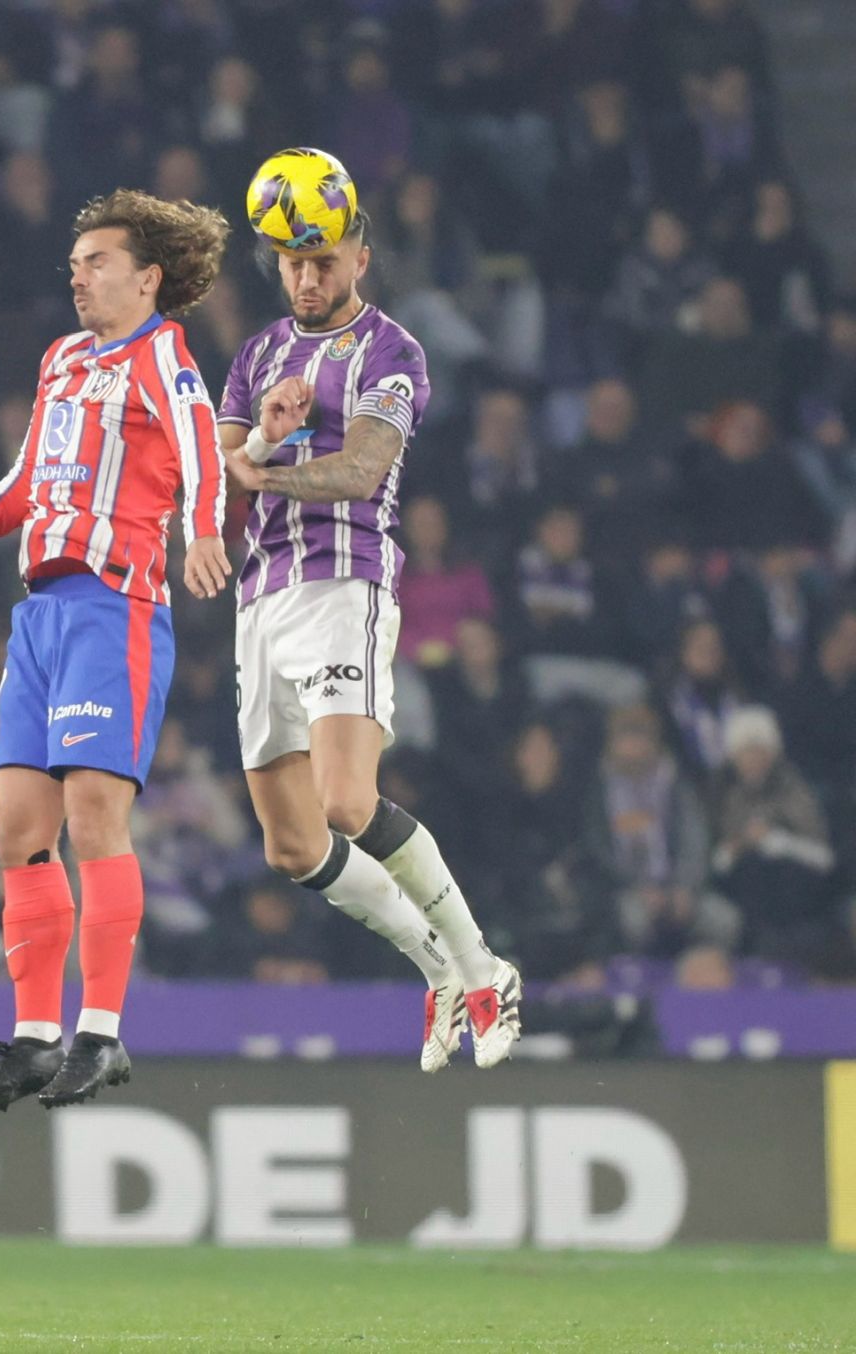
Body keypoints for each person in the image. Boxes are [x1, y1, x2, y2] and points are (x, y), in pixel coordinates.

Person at [0, 188, 232, 1113]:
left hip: (116, 607)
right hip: (42, 616)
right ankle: (35, 1037)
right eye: (74, 263)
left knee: (94, 817)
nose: (79, 276)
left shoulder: (162, 352)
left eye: (97, 262)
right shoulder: (62, 360)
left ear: (147, 279)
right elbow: (31, 476)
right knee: (17, 827)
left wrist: (203, 532)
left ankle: (103, 1031)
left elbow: (201, 445)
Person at [219, 166, 521, 1072]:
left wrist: (260, 467)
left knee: (346, 801)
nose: (307, 279)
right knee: (289, 844)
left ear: (360, 252)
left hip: (343, 584)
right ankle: (435, 968)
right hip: (260, 597)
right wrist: (263, 440)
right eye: (289, 262)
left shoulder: (393, 354)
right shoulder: (257, 353)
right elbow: (226, 458)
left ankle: (483, 967)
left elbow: (357, 471)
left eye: (321, 259)